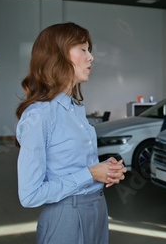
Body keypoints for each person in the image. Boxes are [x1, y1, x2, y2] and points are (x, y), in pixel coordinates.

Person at [15, 22, 126, 244]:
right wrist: (91, 174)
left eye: (89, 50)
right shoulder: (39, 115)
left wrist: (106, 169)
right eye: (83, 50)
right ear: (57, 57)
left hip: (97, 207)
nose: (91, 57)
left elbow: (74, 165)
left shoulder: (75, 108)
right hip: (66, 215)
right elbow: (30, 195)